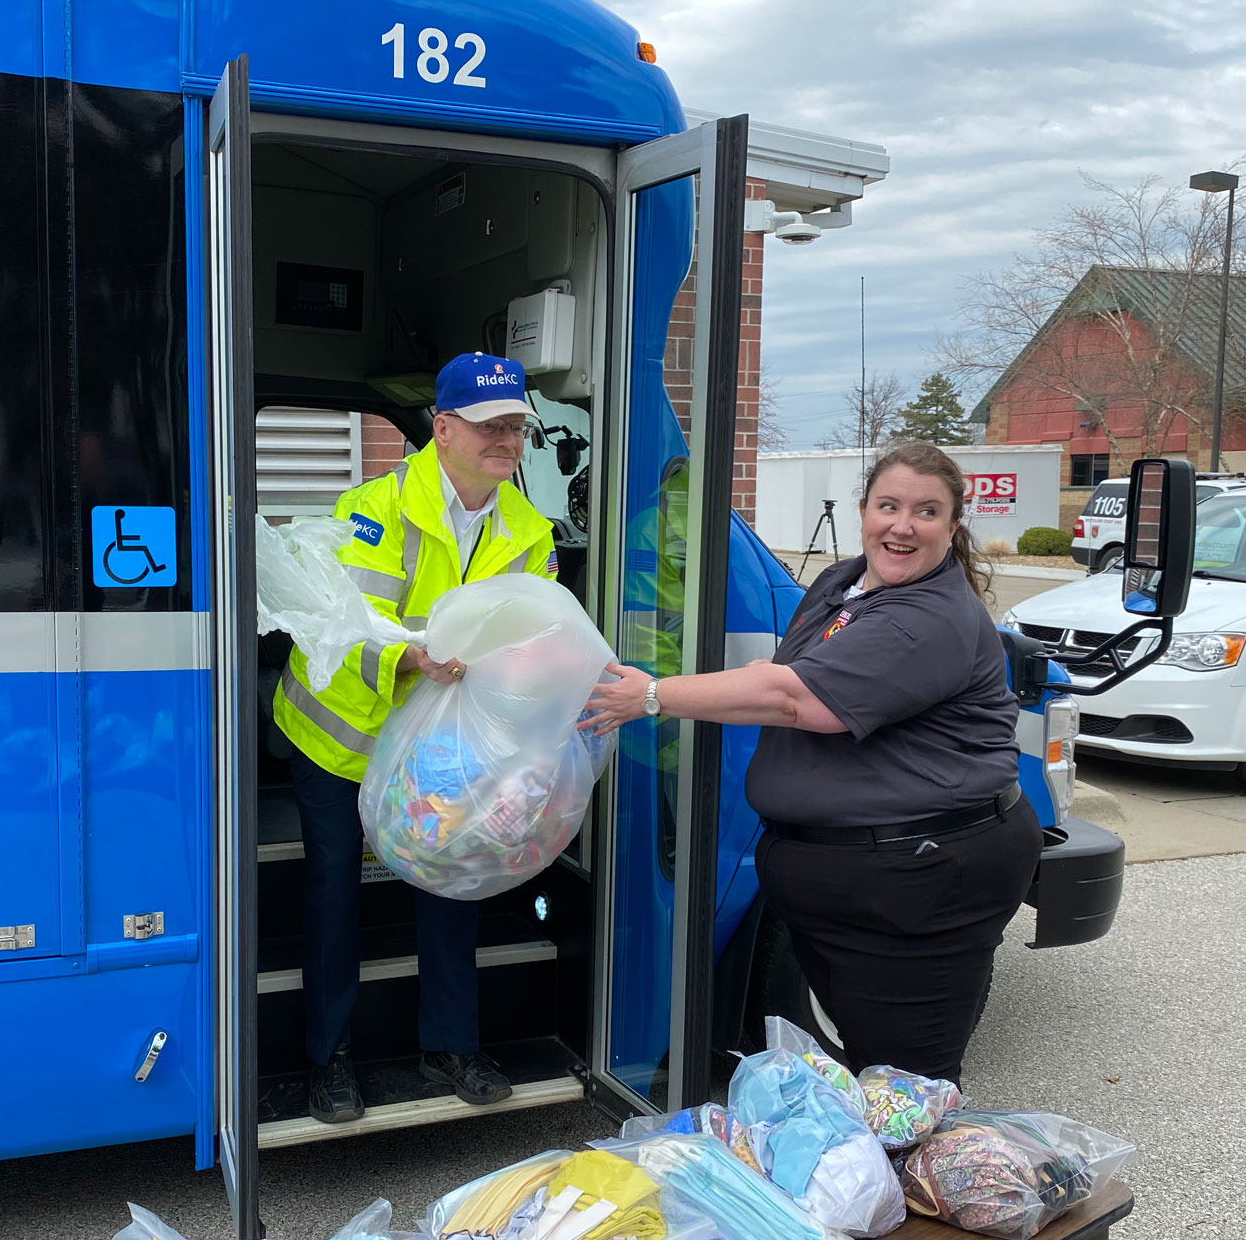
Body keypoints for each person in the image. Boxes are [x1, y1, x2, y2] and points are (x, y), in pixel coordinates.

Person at [580, 441, 1039, 1085]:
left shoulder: (927, 620)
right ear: (863, 511)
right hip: (850, 881)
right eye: (889, 506)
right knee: (869, 1071)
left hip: (922, 881)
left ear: (953, 527)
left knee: (911, 1086)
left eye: (926, 512)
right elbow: (785, 671)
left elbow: (796, 699)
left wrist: (651, 694)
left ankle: (938, 1180)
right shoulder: (842, 581)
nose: (902, 525)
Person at [273, 351, 560, 1124]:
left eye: (518, 427)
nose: (508, 439)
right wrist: (411, 655)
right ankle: (327, 1058)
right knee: (334, 892)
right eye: (491, 425)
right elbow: (349, 627)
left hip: (441, 743)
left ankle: (451, 1045)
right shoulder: (376, 507)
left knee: (449, 877)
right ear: (443, 428)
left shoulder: (529, 531)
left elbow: (532, 631)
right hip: (343, 734)